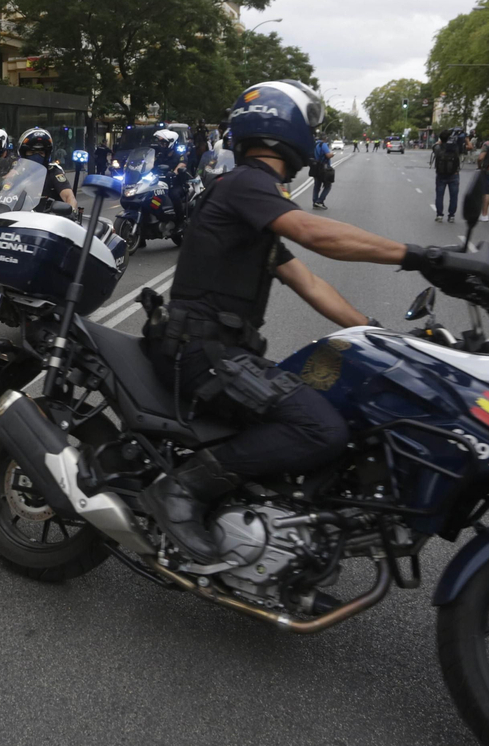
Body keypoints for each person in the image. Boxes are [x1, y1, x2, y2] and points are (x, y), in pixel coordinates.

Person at [142, 80, 467, 563]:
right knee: (321, 430)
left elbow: (310, 284)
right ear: (288, 131)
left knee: (333, 401)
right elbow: (316, 234)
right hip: (204, 353)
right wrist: (423, 255)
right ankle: (181, 490)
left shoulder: (247, 202)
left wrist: (375, 334)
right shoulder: (249, 183)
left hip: (219, 352)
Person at [13, 128, 77, 213]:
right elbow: (1, 196)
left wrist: (71, 211)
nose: (36, 156)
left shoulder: (53, 172)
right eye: (32, 152)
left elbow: (69, 196)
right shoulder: (17, 172)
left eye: (41, 153)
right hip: (19, 220)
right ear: (23, 154)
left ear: (46, 155)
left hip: (48, 223)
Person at [432, 129, 461, 223]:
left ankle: (439, 215)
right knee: (453, 196)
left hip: (441, 174)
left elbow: (435, 146)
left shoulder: (437, 147)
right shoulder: (455, 147)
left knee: (439, 195)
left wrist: (439, 142)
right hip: (454, 174)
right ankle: (451, 216)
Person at [309, 138, 333, 209]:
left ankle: (315, 201)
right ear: (324, 139)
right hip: (323, 167)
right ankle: (320, 201)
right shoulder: (323, 145)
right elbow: (328, 155)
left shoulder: (314, 144)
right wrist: (332, 154)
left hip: (315, 166)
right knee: (328, 185)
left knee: (317, 185)